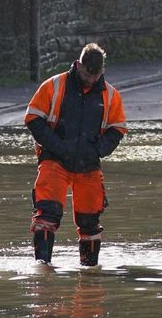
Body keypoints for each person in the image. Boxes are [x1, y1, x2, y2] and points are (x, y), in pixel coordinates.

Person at [24, 42, 127, 266]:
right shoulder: (54, 85)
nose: (91, 80)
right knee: (46, 217)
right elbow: (33, 119)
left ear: (102, 71)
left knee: (90, 223)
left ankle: (89, 273)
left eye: (96, 75)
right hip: (54, 161)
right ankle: (43, 269)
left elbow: (117, 129)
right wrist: (58, 147)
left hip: (88, 165)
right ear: (78, 65)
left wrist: (96, 151)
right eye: (87, 74)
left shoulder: (110, 94)